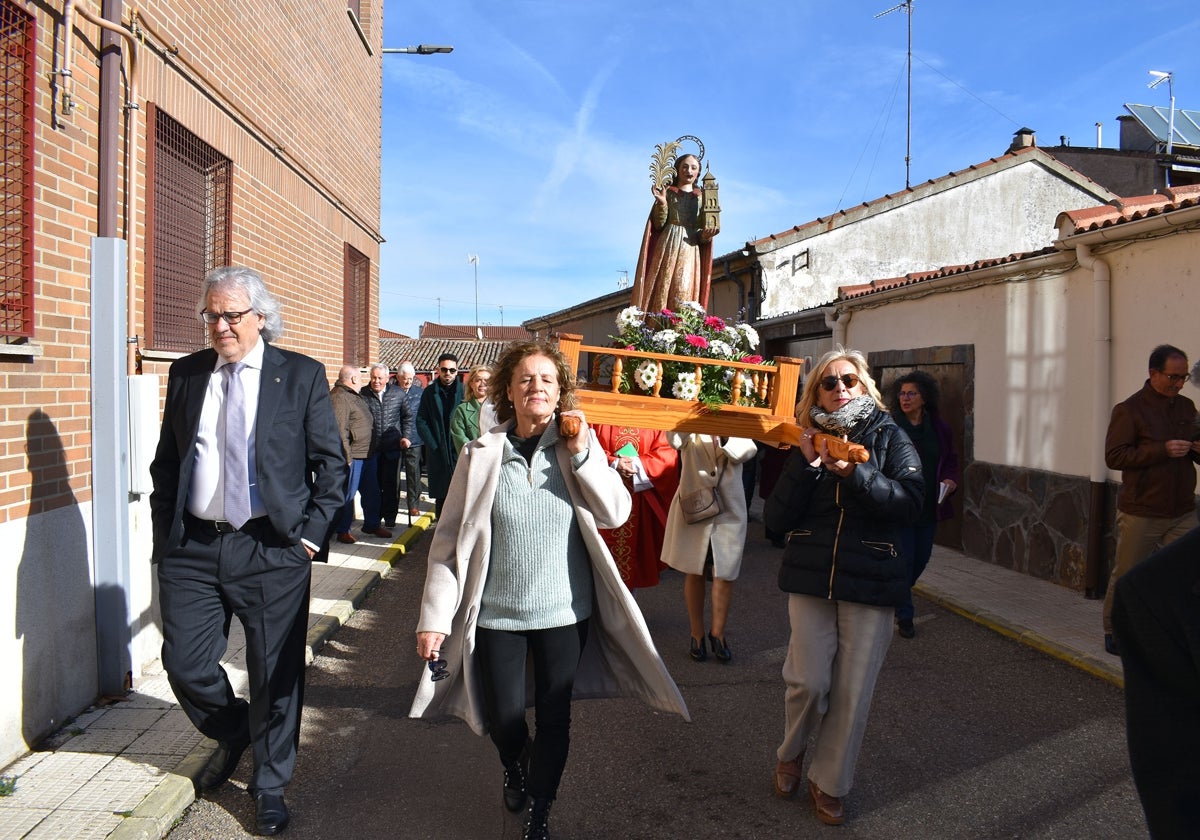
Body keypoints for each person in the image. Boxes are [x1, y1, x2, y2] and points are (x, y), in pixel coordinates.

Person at [410, 340, 688, 840]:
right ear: (508, 393)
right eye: (524, 380)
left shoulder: (577, 447)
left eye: (546, 380)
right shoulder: (480, 454)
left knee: (555, 719)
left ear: (560, 393)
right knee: (505, 718)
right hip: (496, 614)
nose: (535, 387)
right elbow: (448, 541)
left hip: (565, 611)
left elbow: (616, 513)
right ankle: (516, 766)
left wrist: (584, 456)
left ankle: (540, 808)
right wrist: (434, 615)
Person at [149, 266, 346, 836]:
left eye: (232, 315)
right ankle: (235, 731)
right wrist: (168, 533)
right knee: (185, 664)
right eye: (211, 315)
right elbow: (169, 460)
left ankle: (269, 785)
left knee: (275, 675)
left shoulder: (300, 375)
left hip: (272, 547)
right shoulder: (187, 374)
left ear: (261, 317)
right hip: (194, 545)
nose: (220, 325)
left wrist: (309, 536)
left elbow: (331, 464)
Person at [764, 347, 923, 826]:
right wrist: (808, 466)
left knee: (853, 693)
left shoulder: (889, 436)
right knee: (809, 682)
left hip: (872, 578)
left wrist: (858, 474)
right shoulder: (803, 438)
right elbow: (775, 520)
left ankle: (829, 782)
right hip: (812, 575)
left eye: (848, 380)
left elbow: (911, 504)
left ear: (864, 384)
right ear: (816, 392)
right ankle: (791, 752)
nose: (840, 389)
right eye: (829, 383)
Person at [1102, 344, 1200, 656]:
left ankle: (1174, 631)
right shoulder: (1129, 410)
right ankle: (1115, 629)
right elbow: (1114, 456)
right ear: (1153, 373)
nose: (1179, 384)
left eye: (1184, 377)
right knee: (1128, 573)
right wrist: (1162, 450)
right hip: (1142, 509)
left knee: (1187, 573)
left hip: (1182, 509)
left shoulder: (1186, 408)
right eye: (1173, 377)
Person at [1112, 526, 1200, 839]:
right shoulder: (1157, 595)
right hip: (1145, 511)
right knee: (1126, 564)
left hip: (1176, 509)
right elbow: (1179, 806)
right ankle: (1111, 634)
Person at [661, 433, 756, 661]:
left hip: (729, 509)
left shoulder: (737, 420)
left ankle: (718, 634)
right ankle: (697, 634)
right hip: (695, 507)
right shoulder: (691, 425)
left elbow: (748, 451)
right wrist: (690, 412)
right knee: (695, 571)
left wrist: (725, 436)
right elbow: (674, 439)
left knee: (725, 574)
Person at [889, 371, 959, 639]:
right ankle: (905, 614)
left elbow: (950, 459)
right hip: (901, 505)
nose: (905, 398)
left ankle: (897, 595)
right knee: (905, 560)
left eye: (911, 394)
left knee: (921, 559)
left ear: (924, 397)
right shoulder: (892, 426)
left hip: (930, 505)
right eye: (902, 393)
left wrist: (950, 479)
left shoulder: (939, 427)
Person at [593, 424, 681, 590]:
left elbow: (666, 452)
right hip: (601, 499)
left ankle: (627, 612)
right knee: (596, 565)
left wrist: (637, 466)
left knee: (630, 566)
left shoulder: (654, 410)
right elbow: (584, 445)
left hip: (639, 502)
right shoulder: (600, 406)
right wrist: (612, 463)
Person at [631, 153, 718, 314]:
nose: (689, 171)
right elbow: (658, 224)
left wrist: (706, 235)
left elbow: (701, 232)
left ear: (698, 172)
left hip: (689, 247)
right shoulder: (669, 192)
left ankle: (681, 329)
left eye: (693, 167)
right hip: (668, 243)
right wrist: (662, 204)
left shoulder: (701, 197)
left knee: (683, 286)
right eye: (685, 166)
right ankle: (657, 325)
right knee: (662, 286)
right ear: (677, 169)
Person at [330, 365, 375, 544]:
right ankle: (343, 529)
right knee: (348, 494)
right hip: (353, 456)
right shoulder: (340, 397)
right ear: (354, 379)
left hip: (366, 453)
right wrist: (347, 456)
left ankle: (371, 524)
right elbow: (340, 430)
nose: (362, 381)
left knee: (371, 492)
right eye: (361, 377)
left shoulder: (352, 395)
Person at [358, 363, 404, 536]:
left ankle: (390, 517)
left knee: (391, 484)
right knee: (373, 486)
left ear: (386, 378)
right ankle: (374, 520)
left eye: (379, 378)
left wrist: (405, 436)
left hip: (392, 445)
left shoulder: (397, 393)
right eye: (373, 377)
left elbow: (406, 416)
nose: (376, 381)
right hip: (371, 448)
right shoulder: (363, 394)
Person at [416, 352, 464, 517]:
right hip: (438, 452)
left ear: (457, 371)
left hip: (459, 451)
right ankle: (441, 537)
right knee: (442, 497)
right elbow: (421, 421)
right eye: (444, 370)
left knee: (462, 494)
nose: (448, 373)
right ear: (438, 370)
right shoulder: (429, 392)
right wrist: (434, 445)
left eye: (452, 370)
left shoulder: (464, 392)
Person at [395, 361, 425, 517]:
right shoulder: (391, 392)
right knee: (394, 474)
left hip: (415, 439)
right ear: (398, 377)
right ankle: (393, 504)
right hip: (394, 439)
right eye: (404, 378)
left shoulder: (420, 393)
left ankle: (413, 504)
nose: (407, 382)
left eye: (410, 379)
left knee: (413, 473)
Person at [449, 365, 493, 454]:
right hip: (473, 459)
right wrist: (477, 452)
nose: (482, 383)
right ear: (471, 384)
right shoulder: (462, 410)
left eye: (486, 380)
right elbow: (460, 439)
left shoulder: (498, 408)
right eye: (478, 380)